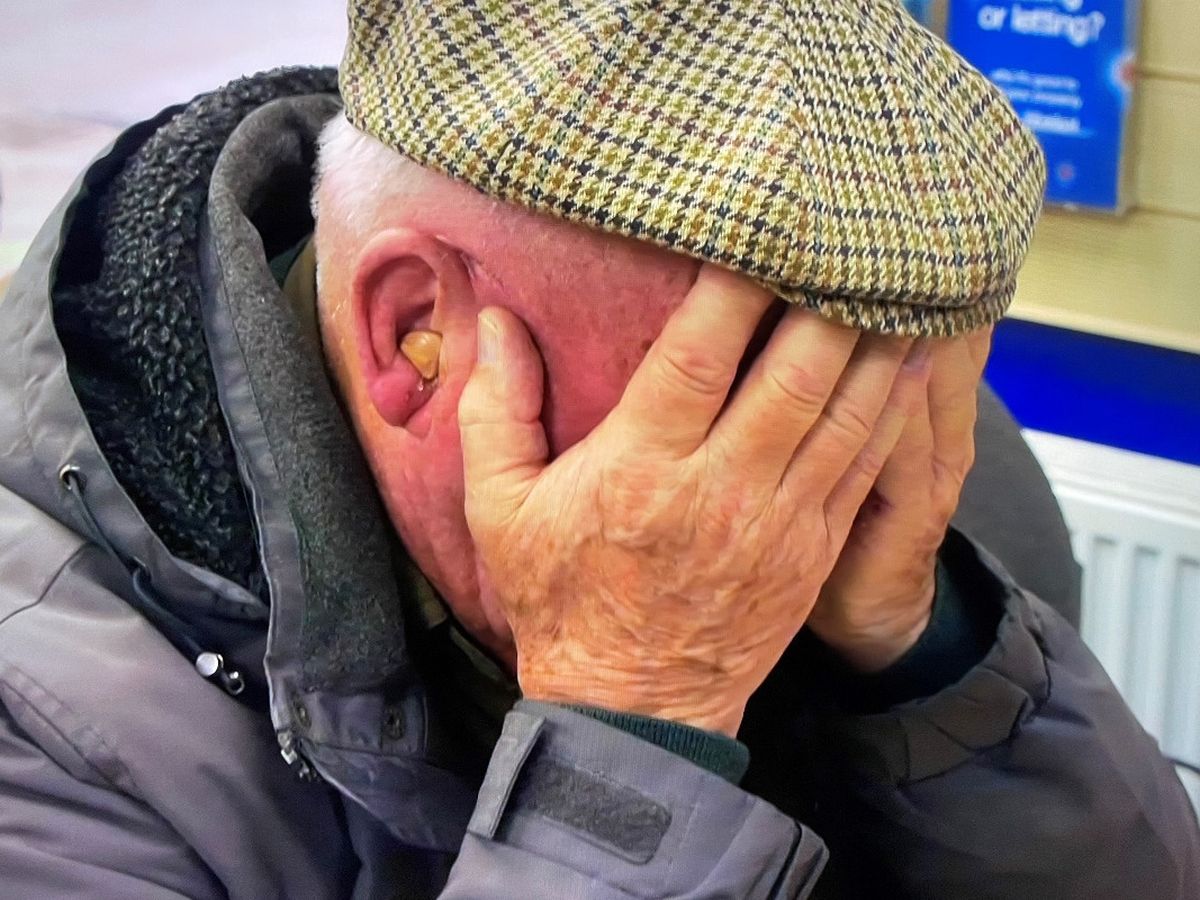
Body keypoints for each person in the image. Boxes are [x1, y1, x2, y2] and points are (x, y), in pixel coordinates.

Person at [0, 3, 1196, 898]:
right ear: (413, 333)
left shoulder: (919, 488)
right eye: (719, 405)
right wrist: (632, 728)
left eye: (850, 391)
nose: (781, 518)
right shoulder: (51, 731)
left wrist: (923, 665)